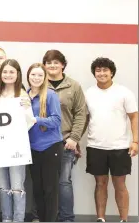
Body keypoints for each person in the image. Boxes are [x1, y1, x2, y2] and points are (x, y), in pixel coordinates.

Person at [84, 57, 138, 222]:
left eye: (105, 70)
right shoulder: (88, 93)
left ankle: (124, 219)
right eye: (98, 70)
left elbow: (134, 117)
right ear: (94, 73)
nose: (101, 73)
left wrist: (135, 141)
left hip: (120, 147)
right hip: (95, 146)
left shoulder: (124, 92)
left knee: (120, 185)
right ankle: (101, 218)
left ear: (111, 72)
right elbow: (84, 119)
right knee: (100, 184)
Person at [42, 49, 87, 222]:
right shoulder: (39, 83)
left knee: (63, 182)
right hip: (42, 143)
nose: (52, 66)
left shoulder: (73, 86)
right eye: (49, 63)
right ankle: (45, 217)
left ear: (62, 65)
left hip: (65, 141)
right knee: (43, 182)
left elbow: (81, 114)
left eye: (56, 62)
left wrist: (74, 138)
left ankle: (66, 218)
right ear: (44, 65)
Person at [0, 59, 35, 222]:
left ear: (18, 75)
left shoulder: (23, 95)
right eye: (5, 72)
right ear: (0, 74)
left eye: (12, 72)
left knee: (17, 186)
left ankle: (18, 219)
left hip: (17, 147)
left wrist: (26, 108)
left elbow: (30, 122)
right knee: (3, 186)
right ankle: (6, 219)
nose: (8, 75)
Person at [27, 63, 63, 222]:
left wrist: (37, 120)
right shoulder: (24, 96)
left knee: (50, 189)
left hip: (51, 147)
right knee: (37, 189)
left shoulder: (50, 95)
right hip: (33, 148)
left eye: (40, 75)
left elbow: (57, 120)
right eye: (33, 75)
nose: (36, 78)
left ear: (45, 78)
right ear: (28, 76)